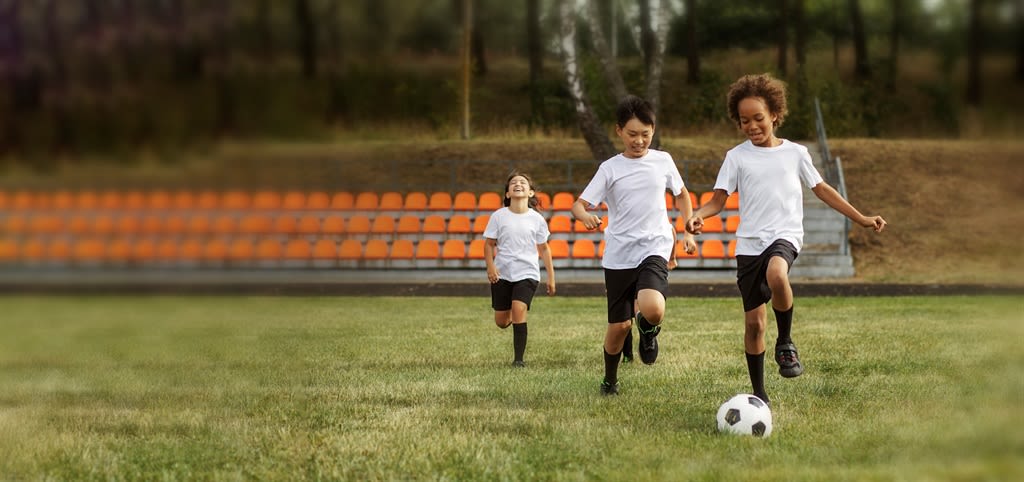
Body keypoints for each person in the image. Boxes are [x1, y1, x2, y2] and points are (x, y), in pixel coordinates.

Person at [685, 73, 886, 405]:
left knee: (777, 274)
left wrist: (861, 218)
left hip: (785, 235)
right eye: (744, 120)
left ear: (775, 114)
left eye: (758, 118)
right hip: (749, 245)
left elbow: (822, 190)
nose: (752, 126)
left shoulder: (796, 153)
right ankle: (759, 394)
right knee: (754, 326)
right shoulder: (736, 157)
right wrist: (697, 214)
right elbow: (719, 200)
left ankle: (787, 343)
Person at [571, 95, 697, 395]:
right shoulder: (609, 168)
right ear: (619, 131)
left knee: (653, 308)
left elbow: (681, 195)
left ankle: (649, 331)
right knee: (619, 326)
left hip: (654, 244)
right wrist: (586, 216)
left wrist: (687, 226)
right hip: (618, 254)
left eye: (645, 134)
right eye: (632, 134)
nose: (639, 141)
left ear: (653, 130)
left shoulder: (663, 160)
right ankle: (610, 380)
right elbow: (578, 205)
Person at [483, 171, 556, 367]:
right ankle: (511, 317)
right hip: (502, 273)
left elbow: (544, 249)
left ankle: (518, 360)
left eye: (523, 182)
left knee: (518, 308)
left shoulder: (537, 219)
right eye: (513, 183)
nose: (518, 184)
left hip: (527, 273)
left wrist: (551, 277)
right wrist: (491, 268)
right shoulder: (498, 216)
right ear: (507, 194)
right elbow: (489, 244)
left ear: (531, 193)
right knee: (501, 321)